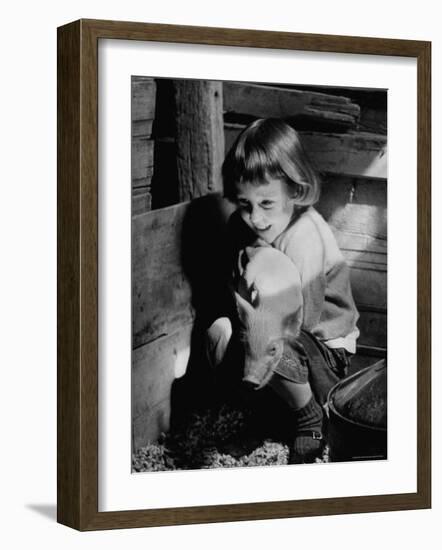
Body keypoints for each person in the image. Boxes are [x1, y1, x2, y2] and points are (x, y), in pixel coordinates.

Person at [206, 118, 359, 464]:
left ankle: (309, 417)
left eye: (266, 204)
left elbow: (305, 318)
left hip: (321, 349)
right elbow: (235, 296)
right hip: (275, 343)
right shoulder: (241, 227)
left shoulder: (305, 236)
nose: (255, 218)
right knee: (222, 333)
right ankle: (264, 418)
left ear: (295, 190)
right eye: (244, 204)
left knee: (266, 338)